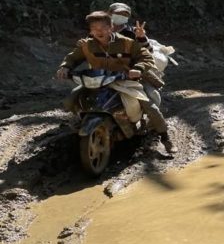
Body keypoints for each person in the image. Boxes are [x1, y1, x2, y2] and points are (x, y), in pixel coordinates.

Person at [56, 11, 176, 156]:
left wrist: (138, 69)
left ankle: (165, 137)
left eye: (102, 28)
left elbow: (145, 57)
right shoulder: (87, 45)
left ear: (111, 27)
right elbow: (72, 58)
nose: (98, 31)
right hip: (97, 81)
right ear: (90, 30)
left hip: (124, 82)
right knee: (70, 101)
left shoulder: (127, 43)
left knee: (150, 106)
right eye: (94, 28)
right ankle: (81, 122)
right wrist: (65, 67)